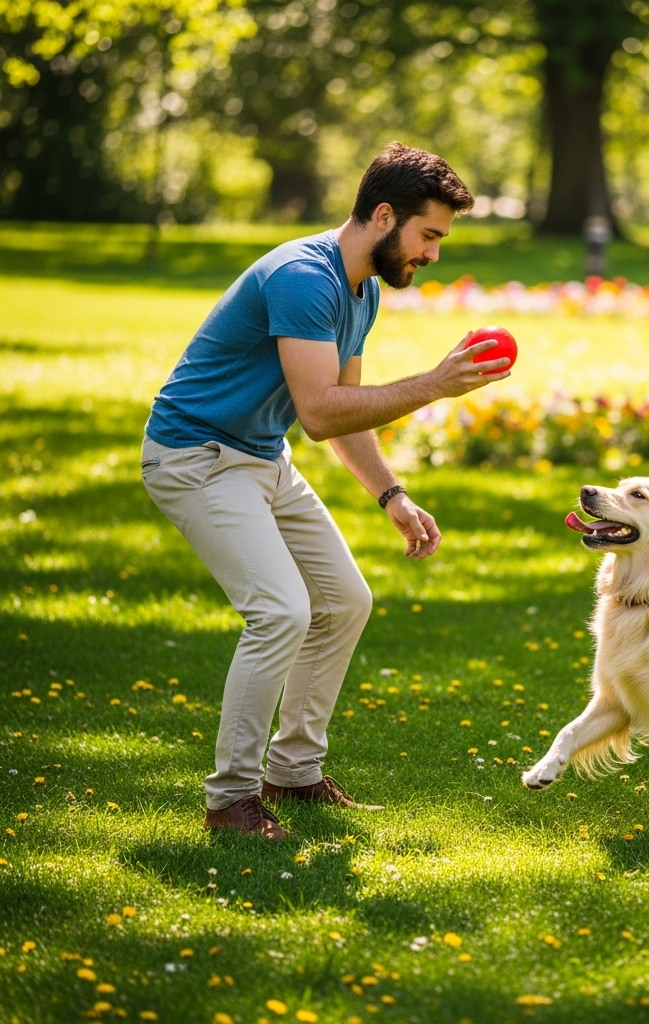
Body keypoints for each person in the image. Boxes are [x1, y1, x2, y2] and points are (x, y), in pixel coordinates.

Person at [140, 142, 510, 839]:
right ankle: (230, 801)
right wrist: (433, 384)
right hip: (195, 456)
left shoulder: (361, 288)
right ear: (381, 215)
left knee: (344, 600)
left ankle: (295, 772)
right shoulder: (303, 278)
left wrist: (391, 495)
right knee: (280, 612)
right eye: (429, 234)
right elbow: (319, 412)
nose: (434, 253)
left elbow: (346, 408)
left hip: (257, 455)